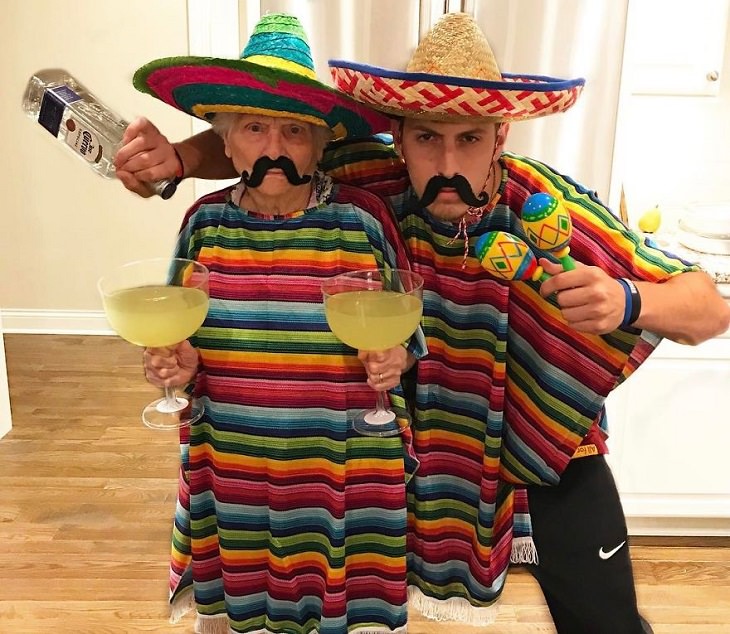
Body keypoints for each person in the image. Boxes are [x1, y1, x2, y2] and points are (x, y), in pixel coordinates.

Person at [116, 12, 730, 634]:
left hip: (541, 427)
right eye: (426, 139)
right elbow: (277, 138)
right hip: (412, 430)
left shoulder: (544, 208)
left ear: (501, 138)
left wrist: (627, 301)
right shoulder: (370, 177)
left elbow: (709, 306)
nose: (446, 162)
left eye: (469, 139)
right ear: (398, 139)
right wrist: (175, 163)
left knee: (606, 620)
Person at [130, 13, 427, 634]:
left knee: (344, 603)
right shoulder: (203, 225)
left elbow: (406, 329)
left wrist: (395, 357)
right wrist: (175, 365)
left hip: (342, 465)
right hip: (235, 461)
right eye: (254, 128)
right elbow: (176, 337)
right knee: (241, 611)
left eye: (294, 131)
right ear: (225, 141)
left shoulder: (361, 221)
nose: (273, 149)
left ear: (322, 144)